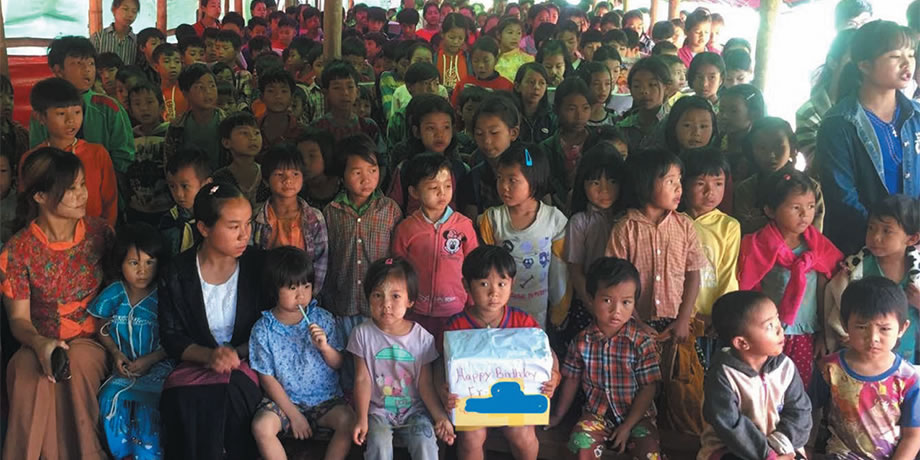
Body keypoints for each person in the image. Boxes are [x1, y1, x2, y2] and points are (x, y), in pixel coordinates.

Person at [1, 147, 114, 460]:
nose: (82, 195)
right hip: (39, 341)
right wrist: (41, 344)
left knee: (75, 363)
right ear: (39, 196)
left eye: (82, 185)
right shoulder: (19, 249)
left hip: (92, 340)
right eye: (70, 189)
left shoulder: (100, 234)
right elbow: (19, 320)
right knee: (25, 368)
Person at [158, 182, 266, 460]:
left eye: (248, 224)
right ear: (204, 228)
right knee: (184, 399)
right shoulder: (178, 272)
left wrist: (235, 353)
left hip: (246, 362)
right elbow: (171, 336)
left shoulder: (259, 266)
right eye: (233, 227)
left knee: (230, 393)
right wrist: (210, 356)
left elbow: (269, 325)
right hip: (195, 364)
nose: (245, 235)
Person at [436, 245, 559, 460]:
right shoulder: (456, 326)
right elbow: (439, 363)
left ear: (512, 283)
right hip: (473, 404)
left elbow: (548, 353)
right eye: (484, 284)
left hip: (516, 404)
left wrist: (554, 376)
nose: (494, 293)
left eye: (502, 284)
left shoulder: (523, 322)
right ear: (466, 285)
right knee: (471, 438)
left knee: (523, 435)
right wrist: (442, 390)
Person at [817, 20, 920, 256]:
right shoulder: (838, 123)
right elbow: (842, 198)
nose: (907, 63)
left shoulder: (916, 116)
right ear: (864, 65)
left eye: (911, 54)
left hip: (912, 246)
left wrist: (910, 235)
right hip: (859, 249)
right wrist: (887, 235)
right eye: (895, 56)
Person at [737, 170, 843, 387]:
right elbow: (749, 289)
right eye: (796, 207)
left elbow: (828, 292)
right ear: (770, 210)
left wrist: (824, 334)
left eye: (811, 206)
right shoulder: (757, 245)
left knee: (798, 389)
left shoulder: (818, 247)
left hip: (805, 333)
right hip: (765, 334)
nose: (805, 214)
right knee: (764, 387)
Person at [550, 257, 662, 459]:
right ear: (591, 299)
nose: (616, 310)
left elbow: (649, 388)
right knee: (579, 444)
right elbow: (571, 380)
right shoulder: (582, 341)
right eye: (607, 300)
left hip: (637, 419)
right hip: (597, 416)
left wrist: (627, 426)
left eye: (626, 302)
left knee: (649, 451)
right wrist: (558, 416)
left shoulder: (642, 343)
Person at [249, 246, 354, 460]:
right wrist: (293, 415)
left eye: (306, 286)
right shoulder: (263, 329)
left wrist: (324, 347)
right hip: (284, 402)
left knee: (349, 421)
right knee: (261, 427)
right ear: (274, 289)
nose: (301, 295)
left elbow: (339, 363)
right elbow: (266, 377)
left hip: (325, 399)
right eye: (292, 288)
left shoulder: (323, 319)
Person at [348, 257, 456, 458]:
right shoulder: (361, 334)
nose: (386, 304)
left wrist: (440, 418)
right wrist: (361, 418)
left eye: (395, 296)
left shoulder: (422, 338)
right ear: (368, 298)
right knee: (379, 443)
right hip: (378, 412)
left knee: (425, 442)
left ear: (410, 300)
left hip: (415, 410)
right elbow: (362, 379)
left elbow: (426, 384)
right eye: (378, 295)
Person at [90, 223, 172, 460]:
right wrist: (115, 354)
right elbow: (101, 325)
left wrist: (151, 359)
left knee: (151, 400)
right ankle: (121, 454)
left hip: (158, 367)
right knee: (108, 397)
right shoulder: (115, 293)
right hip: (124, 368)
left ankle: (147, 455)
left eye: (149, 262)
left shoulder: (163, 295)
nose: (142, 271)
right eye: (133, 263)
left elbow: (175, 336)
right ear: (120, 264)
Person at [698, 291, 812, 460]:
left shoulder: (785, 367)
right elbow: (730, 425)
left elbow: (800, 411)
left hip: (783, 444)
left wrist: (781, 444)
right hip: (733, 447)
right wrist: (768, 455)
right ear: (742, 343)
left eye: (777, 319)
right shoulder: (723, 374)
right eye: (769, 326)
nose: (780, 329)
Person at [606, 149, 705, 344]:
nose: (679, 188)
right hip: (635, 321)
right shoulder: (625, 228)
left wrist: (684, 319)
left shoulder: (684, 226)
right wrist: (635, 321)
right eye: (670, 181)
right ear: (645, 184)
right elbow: (615, 280)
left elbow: (693, 273)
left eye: (679, 181)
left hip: (676, 321)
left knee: (680, 372)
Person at [818, 277, 920, 459]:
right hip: (840, 454)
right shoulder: (829, 368)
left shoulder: (909, 378)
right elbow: (809, 411)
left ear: (902, 328)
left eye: (884, 329)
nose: (873, 338)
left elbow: (913, 437)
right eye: (861, 327)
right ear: (844, 324)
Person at [478, 143, 569, 329]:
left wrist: (560, 306)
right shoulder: (492, 219)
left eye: (513, 180)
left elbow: (560, 269)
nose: (503, 186)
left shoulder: (554, 220)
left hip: (538, 310)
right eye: (500, 178)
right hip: (498, 311)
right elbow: (484, 268)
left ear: (534, 181)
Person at [322, 134, 402, 339]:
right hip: (342, 302)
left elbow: (398, 257)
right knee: (347, 358)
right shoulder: (331, 212)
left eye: (373, 171)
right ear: (342, 175)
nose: (366, 179)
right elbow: (327, 258)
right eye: (357, 172)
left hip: (381, 306)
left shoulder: (390, 209)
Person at [824, 194, 920, 363]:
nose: (875, 237)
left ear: (912, 238)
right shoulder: (856, 269)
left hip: (905, 352)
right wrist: (846, 333)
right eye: (871, 228)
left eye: (886, 231)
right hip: (862, 351)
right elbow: (840, 303)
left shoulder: (916, 273)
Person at [392, 153, 478, 338]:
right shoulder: (406, 228)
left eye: (447, 186)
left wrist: (472, 303)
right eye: (433, 187)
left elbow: (474, 268)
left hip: (456, 310)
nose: (442, 192)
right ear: (414, 192)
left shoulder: (464, 226)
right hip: (417, 311)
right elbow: (399, 272)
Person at [30, 36, 135, 174]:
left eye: (91, 63)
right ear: (58, 70)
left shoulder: (109, 107)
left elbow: (124, 156)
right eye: (78, 63)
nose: (87, 69)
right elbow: (38, 156)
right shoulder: (43, 111)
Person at [20, 78, 118, 227]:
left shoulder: (97, 154)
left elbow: (110, 202)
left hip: (95, 237)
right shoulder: (33, 160)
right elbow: (28, 207)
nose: (71, 120)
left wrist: (107, 233)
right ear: (40, 117)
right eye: (61, 113)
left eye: (77, 112)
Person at [560, 145, 627, 345]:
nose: (604, 190)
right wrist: (592, 305)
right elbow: (575, 270)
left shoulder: (629, 219)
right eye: (595, 182)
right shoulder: (579, 222)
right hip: (590, 302)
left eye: (613, 182)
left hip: (626, 305)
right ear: (583, 184)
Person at [681, 149, 740, 366]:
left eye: (718, 183)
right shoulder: (674, 222)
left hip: (713, 320)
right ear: (683, 184)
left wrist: (720, 316)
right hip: (679, 319)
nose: (710, 192)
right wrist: (688, 315)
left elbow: (728, 274)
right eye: (700, 184)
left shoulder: (729, 226)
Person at [251, 145, 328, 293]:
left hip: (303, 296)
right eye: (279, 174)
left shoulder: (314, 217)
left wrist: (311, 295)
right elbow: (251, 260)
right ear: (266, 181)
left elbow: (321, 260)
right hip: (267, 292)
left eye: (295, 174)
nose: (288, 180)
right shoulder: (256, 217)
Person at [734, 117, 825, 235]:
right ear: (752, 151)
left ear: (792, 148)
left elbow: (814, 235)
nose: (771, 154)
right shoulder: (745, 189)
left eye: (778, 146)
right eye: (762, 148)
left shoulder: (811, 187)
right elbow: (744, 232)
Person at [388, 94, 468, 214]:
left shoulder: (459, 169)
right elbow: (392, 210)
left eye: (446, 127)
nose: (439, 134)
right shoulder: (405, 169)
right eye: (431, 128)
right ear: (417, 132)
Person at [795, 29, 855, 168]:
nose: (859, 65)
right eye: (853, 58)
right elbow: (820, 165)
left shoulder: (873, 105)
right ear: (832, 62)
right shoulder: (809, 112)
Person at [458, 95, 521, 219]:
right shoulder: (474, 178)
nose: (486, 141)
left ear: (513, 133)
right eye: (479, 134)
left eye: (494, 133)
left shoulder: (531, 168)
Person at [309, 62, 385, 153]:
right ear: (326, 93)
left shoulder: (368, 126)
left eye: (350, 87)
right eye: (337, 88)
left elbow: (381, 159)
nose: (345, 93)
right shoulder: (317, 128)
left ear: (357, 91)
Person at [164, 63, 228, 172]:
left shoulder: (227, 122)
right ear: (185, 93)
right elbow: (170, 163)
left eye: (212, 85)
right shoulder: (177, 126)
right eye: (200, 87)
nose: (208, 92)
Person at [542, 78, 593, 212]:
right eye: (571, 109)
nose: (579, 115)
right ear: (556, 109)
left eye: (585, 108)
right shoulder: (546, 148)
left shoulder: (597, 144)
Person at [126, 82, 173, 225]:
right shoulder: (129, 137)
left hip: (166, 207)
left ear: (161, 106)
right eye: (137, 104)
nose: (144, 108)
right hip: (137, 207)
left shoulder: (170, 133)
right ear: (131, 110)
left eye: (150, 102)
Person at [159, 147, 212, 256]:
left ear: (206, 184)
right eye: (172, 186)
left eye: (185, 186)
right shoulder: (168, 220)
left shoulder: (214, 219)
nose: (178, 193)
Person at [212, 112, 269, 206]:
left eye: (257, 133)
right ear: (226, 142)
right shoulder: (219, 178)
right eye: (244, 133)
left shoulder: (268, 173)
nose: (253, 138)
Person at [617, 57, 671, 154]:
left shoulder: (673, 123)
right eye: (637, 86)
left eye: (652, 85)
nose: (644, 91)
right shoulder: (623, 127)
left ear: (666, 88)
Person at [717, 83, 764, 183]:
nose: (724, 116)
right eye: (721, 110)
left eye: (733, 111)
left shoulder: (760, 150)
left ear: (754, 114)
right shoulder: (716, 140)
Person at [450, 37, 514, 109]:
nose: (481, 66)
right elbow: (455, 109)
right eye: (476, 61)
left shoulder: (507, 86)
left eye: (486, 61)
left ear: (496, 60)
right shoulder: (464, 84)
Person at [297, 130, 342, 210]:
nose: (305, 162)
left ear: (326, 155)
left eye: (312, 156)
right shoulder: (297, 192)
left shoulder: (345, 188)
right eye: (300, 156)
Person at [513, 63, 555, 145]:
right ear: (517, 86)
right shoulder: (509, 114)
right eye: (531, 82)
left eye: (542, 83)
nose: (536, 87)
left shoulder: (552, 116)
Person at [90, 0, 139, 66]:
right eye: (125, 9)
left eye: (134, 11)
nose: (130, 14)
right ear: (113, 10)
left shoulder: (136, 41)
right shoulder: (98, 38)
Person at [436, 13, 472, 91]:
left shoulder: (468, 59)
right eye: (451, 37)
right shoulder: (435, 57)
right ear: (442, 34)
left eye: (460, 38)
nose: (456, 42)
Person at [153, 43, 187, 122]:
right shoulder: (153, 93)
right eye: (167, 61)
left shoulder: (187, 90)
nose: (173, 66)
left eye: (177, 62)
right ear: (156, 67)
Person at [576, 61, 616, 126]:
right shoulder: (576, 119)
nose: (603, 89)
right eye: (596, 84)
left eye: (607, 84)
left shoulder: (614, 119)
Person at [495, 17, 535, 82]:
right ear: (498, 35)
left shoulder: (527, 60)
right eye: (510, 32)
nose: (515, 37)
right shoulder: (492, 56)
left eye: (518, 33)